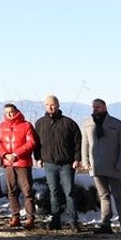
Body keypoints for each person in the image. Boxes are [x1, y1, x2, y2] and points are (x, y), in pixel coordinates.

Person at [81, 99, 121, 237]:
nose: (95, 109)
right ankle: (105, 224)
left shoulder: (117, 124)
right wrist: (85, 161)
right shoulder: (87, 124)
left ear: (104, 107)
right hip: (96, 166)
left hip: (114, 166)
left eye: (98, 106)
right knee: (103, 196)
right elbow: (84, 145)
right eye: (93, 107)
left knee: (118, 197)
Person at [35, 94, 82, 231]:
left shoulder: (68, 123)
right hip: (49, 164)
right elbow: (36, 144)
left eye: (53, 104)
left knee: (69, 193)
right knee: (53, 192)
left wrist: (77, 158)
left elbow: (78, 142)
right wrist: (37, 158)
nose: (50, 107)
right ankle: (55, 219)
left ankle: (73, 221)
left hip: (67, 164)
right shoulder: (40, 123)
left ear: (58, 106)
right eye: (47, 105)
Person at [0, 103, 37, 228]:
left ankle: (30, 218)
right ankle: (15, 217)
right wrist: (5, 154)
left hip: (22, 162)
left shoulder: (26, 125)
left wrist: (16, 154)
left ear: (16, 111)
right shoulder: (2, 126)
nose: (9, 114)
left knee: (27, 191)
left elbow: (31, 142)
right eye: (6, 112)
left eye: (11, 111)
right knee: (11, 191)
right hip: (8, 163)